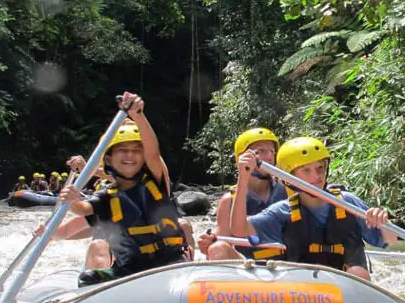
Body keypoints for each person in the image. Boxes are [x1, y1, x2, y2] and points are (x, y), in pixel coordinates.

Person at [51, 92, 194, 286]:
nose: (130, 155)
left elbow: (152, 151)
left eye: (136, 151)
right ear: (109, 158)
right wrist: (71, 200)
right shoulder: (108, 197)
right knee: (88, 278)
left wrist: (138, 116)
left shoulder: (156, 180)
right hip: (129, 272)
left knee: (184, 226)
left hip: (170, 264)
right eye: (123, 150)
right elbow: (81, 210)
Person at [230, 137, 397, 281]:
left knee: (358, 272)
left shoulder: (348, 202)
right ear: (290, 177)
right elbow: (239, 230)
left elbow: (390, 240)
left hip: (349, 288)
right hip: (305, 291)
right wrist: (243, 177)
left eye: (320, 168)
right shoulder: (283, 211)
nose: (316, 176)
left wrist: (383, 222)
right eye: (306, 170)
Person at [198, 127, 287, 260]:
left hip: (288, 264)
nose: (269, 157)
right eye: (260, 151)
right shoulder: (229, 200)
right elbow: (223, 240)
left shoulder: (288, 190)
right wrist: (208, 244)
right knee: (218, 249)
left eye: (272, 152)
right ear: (242, 157)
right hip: (247, 267)